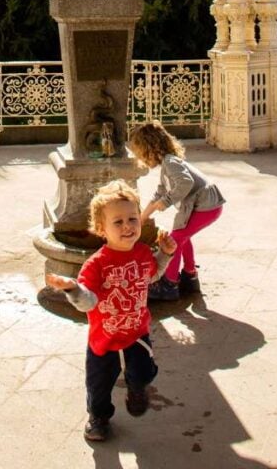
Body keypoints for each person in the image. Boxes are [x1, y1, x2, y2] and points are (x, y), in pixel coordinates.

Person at [45, 179, 177, 443]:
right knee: (99, 385)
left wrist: (165, 254)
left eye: (132, 219)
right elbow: (89, 302)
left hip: (137, 330)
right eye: (118, 222)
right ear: (101, 229)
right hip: (103, 337)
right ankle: (98, 417)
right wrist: (73, 289)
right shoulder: (96, 265)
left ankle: (136, 388)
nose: (127, 226)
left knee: (143, 372)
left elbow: (152, 275)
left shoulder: (142, 253)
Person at [128, 121, 225, 301]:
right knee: (182, 236)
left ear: (149, 148)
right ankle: (190, 276)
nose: (140, 159)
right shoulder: (168, 164)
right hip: (207, 206)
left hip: (206, 207)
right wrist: (143, 217)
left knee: (174, 240)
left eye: (140, 154)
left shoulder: (171, 163)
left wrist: (166, 202)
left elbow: (185, 183)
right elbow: (160, 192)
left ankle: (169, 284)